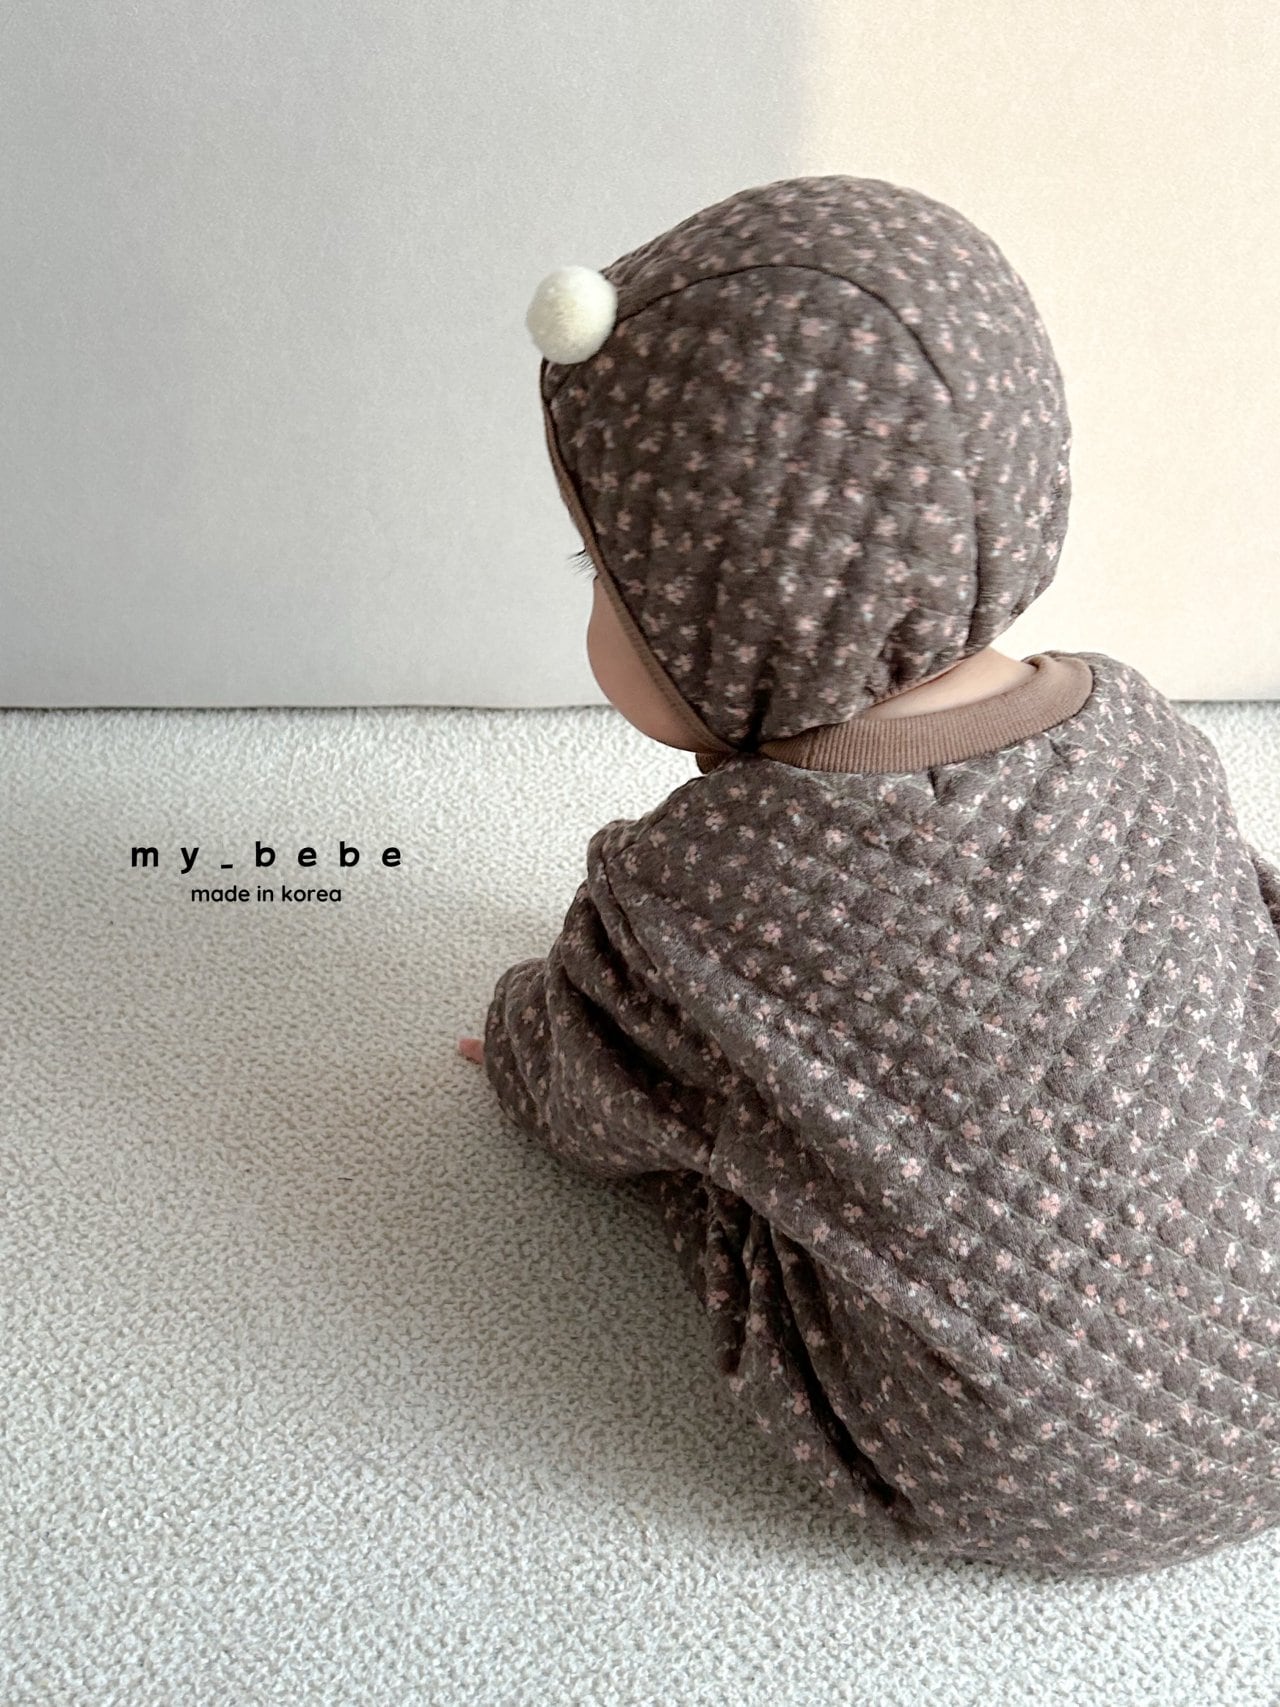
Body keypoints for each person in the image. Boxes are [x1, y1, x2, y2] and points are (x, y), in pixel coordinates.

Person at [460, 174, 1280, 1577]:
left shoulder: (693, 890)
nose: (593, 602)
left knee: (724, 1134)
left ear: (727, 609)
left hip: (984, 1463)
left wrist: (521, 1042)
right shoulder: (1141, 729)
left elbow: (585, 1084)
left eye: (599, 570)